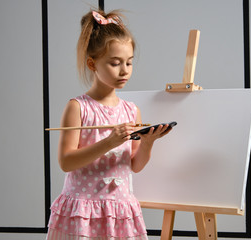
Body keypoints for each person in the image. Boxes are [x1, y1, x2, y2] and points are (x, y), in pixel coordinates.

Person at [46, 9, 172, 240]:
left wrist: (147, 143)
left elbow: (134, 165)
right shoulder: (78, 107)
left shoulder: (131, 110)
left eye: (129, 63)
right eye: (115, 63)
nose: (124, 71)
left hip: (119, 210)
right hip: (84, 211)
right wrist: (109, 142)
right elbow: (66, 162)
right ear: (92, 64)